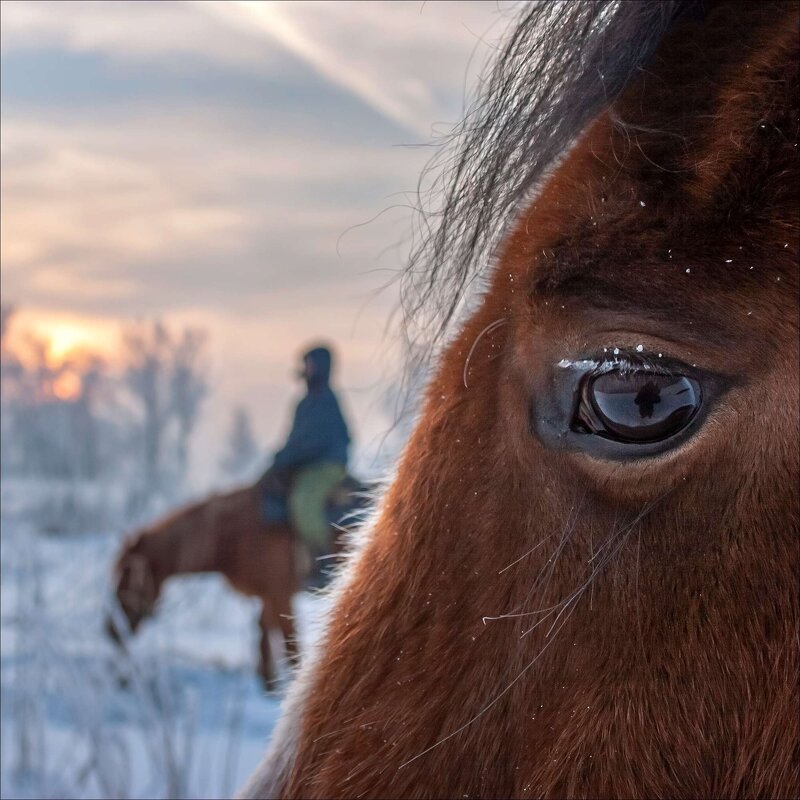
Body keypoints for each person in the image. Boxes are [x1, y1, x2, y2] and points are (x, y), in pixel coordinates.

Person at [261, 345, 351, 561]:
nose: (306, 368)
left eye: (310, 363)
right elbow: (295, 439)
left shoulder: (325, 400)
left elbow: (311, 442)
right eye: (305, 363)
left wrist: (286, 458)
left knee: (303, 500)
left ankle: (322, 556)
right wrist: (281, 459)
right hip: (306, 465)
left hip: (327, 466)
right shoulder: (305, 403)